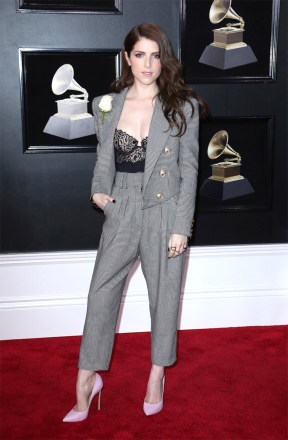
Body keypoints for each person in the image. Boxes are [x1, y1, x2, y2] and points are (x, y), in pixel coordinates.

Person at [63, 23, 207, 422]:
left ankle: (157, 375)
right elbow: (103, 159)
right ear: (127, 57)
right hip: (122, 207)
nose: (148, 64)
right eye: (140, 55)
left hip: (167, 209)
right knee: (100, 294)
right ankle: (87, 378)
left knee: (164, 299)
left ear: (164, 58)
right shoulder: (106, 104)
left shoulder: (185, 106)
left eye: (155, 55)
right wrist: (98, 191)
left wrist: (182, 225)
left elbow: (190, 168)